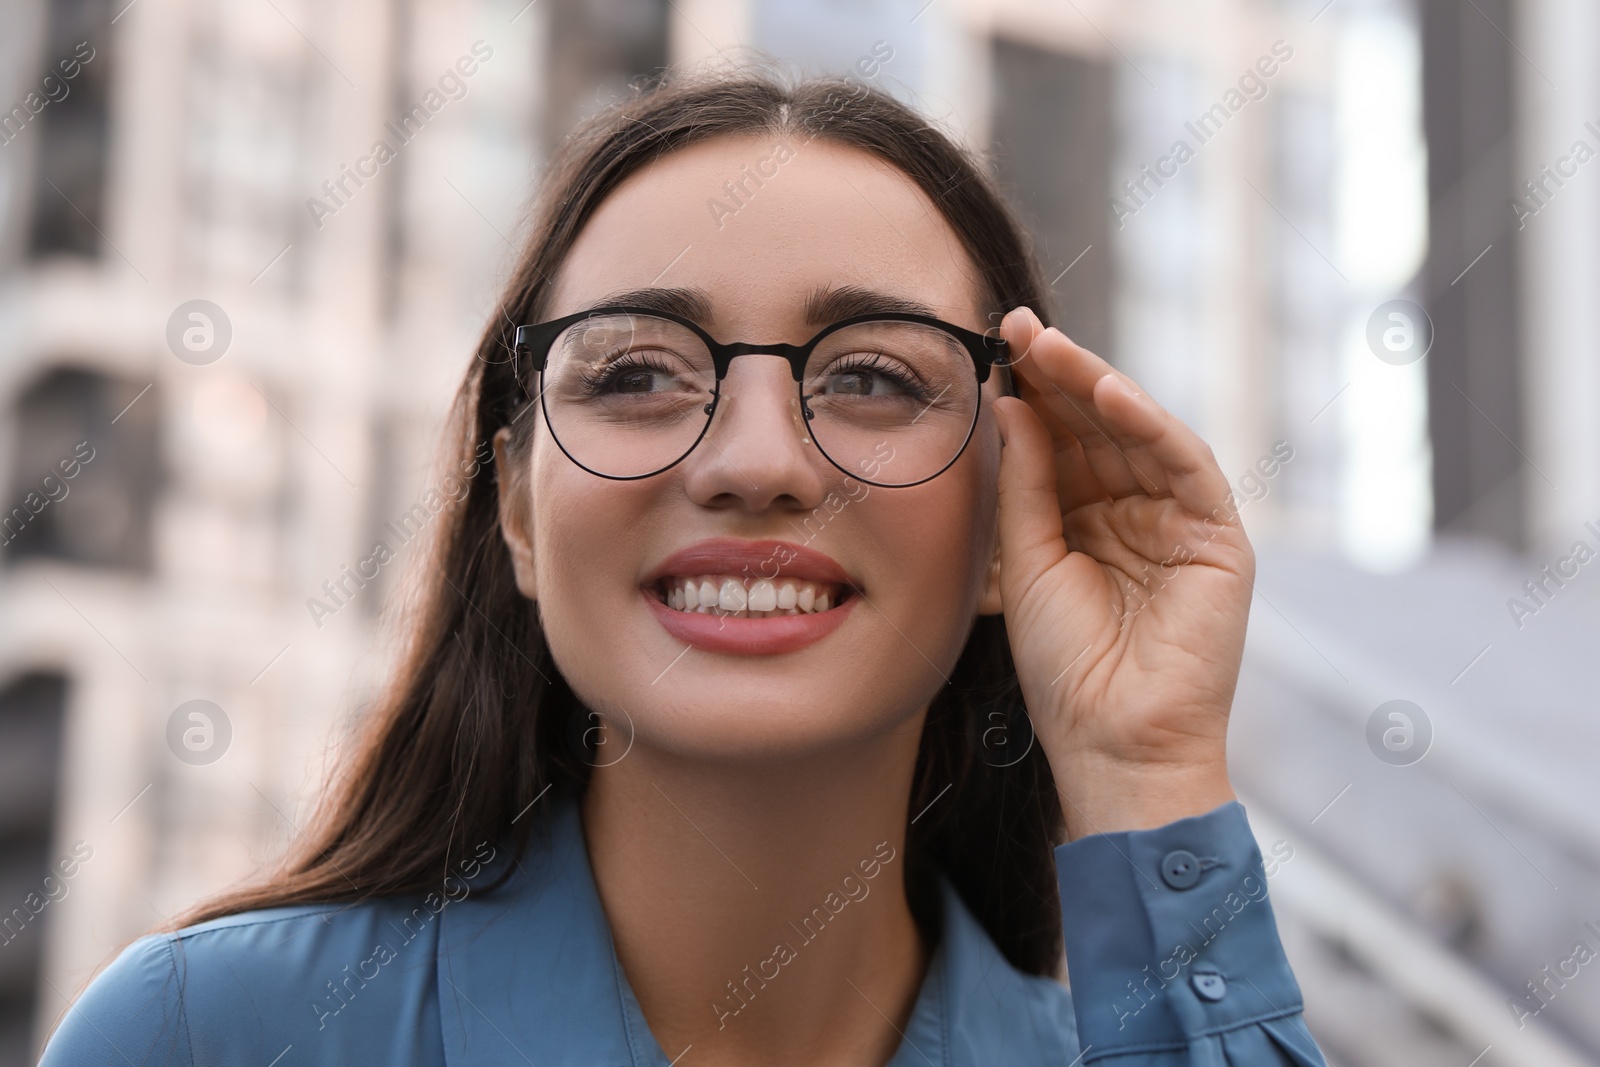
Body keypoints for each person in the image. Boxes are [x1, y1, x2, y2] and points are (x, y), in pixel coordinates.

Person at [40, 70, 1326, 1067]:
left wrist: (1147, 772)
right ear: (520, 513)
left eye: (873, 375)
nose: (753, 459)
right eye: (637, 372)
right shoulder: (205, 1032)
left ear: (1008, 519)